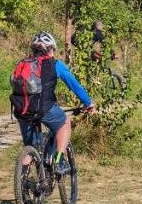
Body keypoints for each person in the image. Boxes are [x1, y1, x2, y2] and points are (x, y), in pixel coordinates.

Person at [11, 31, 95, 168]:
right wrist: (88, 103)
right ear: (50, 49)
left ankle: (22, 182)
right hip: (45, 109)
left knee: (30, 148)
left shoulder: (23, 64)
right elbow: (74, 85)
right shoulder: (56, 64)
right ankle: (58, 161)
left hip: (22, 110)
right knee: (64, 123)